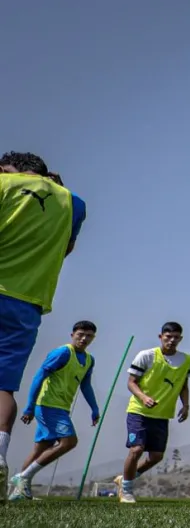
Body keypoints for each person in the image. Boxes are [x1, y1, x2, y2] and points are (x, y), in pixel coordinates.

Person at [0, 153, 87, 499]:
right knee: (4, 386)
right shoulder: (74, 203)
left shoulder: (4, 184)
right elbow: (65, 249)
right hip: (28, 302)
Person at [7, 321, 100, 501]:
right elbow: (39, 376)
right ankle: (23, 478)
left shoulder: (89, 360)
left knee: (41, 448)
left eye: (89, 336)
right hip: (48, 405)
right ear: (72, 334)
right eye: (80, 334)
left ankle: (18, 494)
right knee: (69, 442)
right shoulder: (63, 353)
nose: (84, 338)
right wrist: (29, 406)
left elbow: (86, 385)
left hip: (62, 407)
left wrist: (94, 408)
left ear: (93, 338)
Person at [114, 322, 190, 504]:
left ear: (180, 338)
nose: (172, 340)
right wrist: (143, 397)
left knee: (156, 457)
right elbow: (131, 382)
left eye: (176, 337)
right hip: (138, 411)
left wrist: (186, 406)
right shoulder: (146, 356)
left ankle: (125, 479)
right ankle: (126, 491)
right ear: (161, 337)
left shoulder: (186, 360)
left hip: (162, 415)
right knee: (137, 449)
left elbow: (183, 386)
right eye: (168, 337)